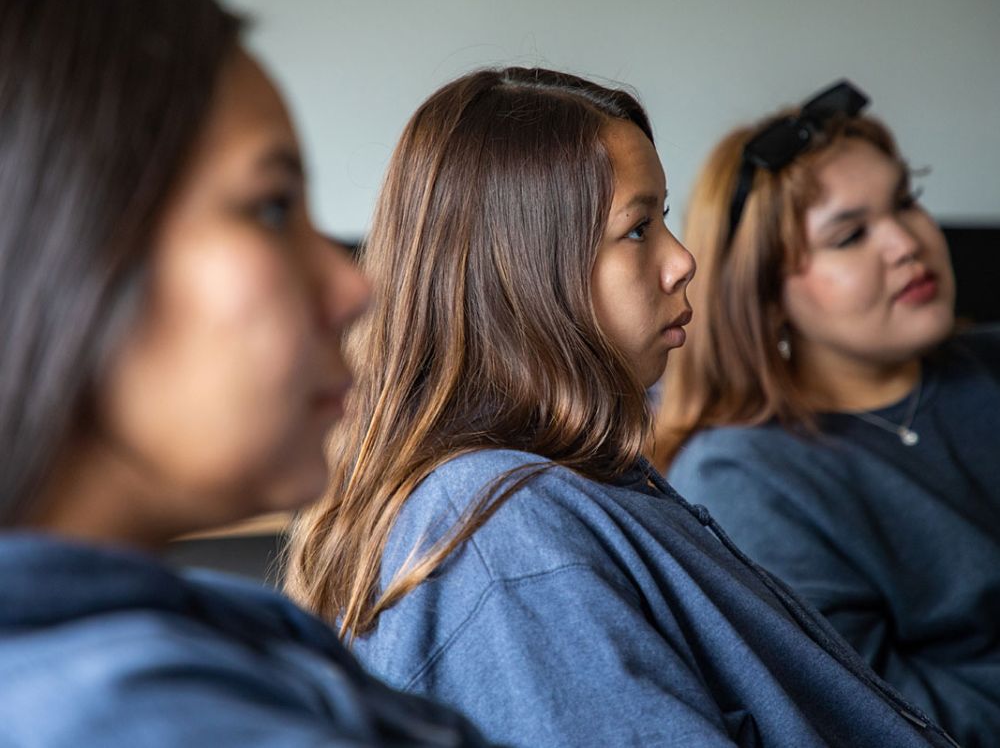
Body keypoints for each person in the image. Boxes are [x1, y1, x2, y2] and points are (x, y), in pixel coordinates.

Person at [285, 67, 958, 747]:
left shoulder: (571, 487)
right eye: (639, 230)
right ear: (524, 271)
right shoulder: (503, 535)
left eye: (664, 219)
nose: (683, 261)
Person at [0, 0, 492, 745]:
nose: (354, 286)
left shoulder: (211, 628)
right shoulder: (125, 718)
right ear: (71, 245)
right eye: (270, 209)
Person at [654, 79, 1000, 746]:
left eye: (907, 201)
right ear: (768, 295)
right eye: (850, 236)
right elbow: (872, 713)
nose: (905, 242)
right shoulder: (745, 476)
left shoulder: (987, 363)